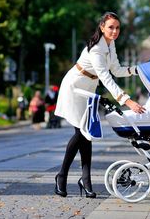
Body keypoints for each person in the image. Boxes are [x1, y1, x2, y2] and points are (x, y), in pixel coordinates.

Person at [54, 12, 145, 198]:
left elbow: (117, 70)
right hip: (75, 87)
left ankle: (84, 180)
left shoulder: (111, 46)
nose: (115, 31)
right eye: (111, 27)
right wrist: (127, 101)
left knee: (86, 135)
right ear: (102, 27)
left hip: (88, 89)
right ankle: (62, 176)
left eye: (117, 27)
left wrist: (139, 70)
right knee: (81, 132)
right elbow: (106, 77)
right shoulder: (96, 49)